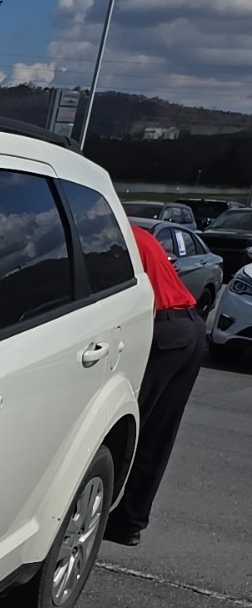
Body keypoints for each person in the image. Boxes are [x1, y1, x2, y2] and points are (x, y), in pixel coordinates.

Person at [104, 229, 208, 546]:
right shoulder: (140, 235)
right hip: (191, 327)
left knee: (122, 425)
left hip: (165, 331)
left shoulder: (114, 240)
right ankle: (129, 522)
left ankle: (85, 514)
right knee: (158, 434)